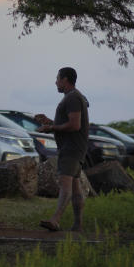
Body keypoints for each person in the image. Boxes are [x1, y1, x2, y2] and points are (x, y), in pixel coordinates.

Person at [35, 67, 89, 232]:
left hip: (71, 148)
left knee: (65, 184)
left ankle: (55, 220)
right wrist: (50, 123)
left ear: (65, 79)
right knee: (74, 186)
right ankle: (78, 224)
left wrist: (51, 129)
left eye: (58, 78)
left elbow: (75, 125)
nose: (56, 82)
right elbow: (70, 121)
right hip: (75, 147)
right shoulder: (73, 97)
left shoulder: (72, 98)